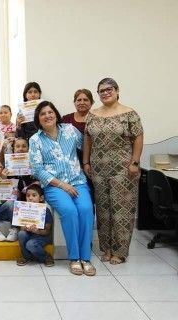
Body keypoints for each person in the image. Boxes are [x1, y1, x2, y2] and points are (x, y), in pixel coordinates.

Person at [29, 101, 95, 276]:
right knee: (70, 211)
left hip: (78, 181)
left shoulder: (70, 130)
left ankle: (85, 258)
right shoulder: (35, 140)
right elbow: (37, 169)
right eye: (43, 113)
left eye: (50, 112)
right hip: (54, 185)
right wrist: (62, 185)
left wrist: (87, 162)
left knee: (87, 210)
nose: (47, 116)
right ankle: (74, 257)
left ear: (56, 114)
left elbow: (86, 144)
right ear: (38, 118)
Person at [83, 78, 143, 265]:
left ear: (117, 91)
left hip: (124, 170)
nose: (105, 93)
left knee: (121, 210)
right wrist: (86, 162)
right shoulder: (93, 115)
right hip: (98, 169)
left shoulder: (129, 113)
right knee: (102, 210)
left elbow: (138, 137)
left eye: (109, 89)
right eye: (101, 90)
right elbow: (87, 139)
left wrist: (135, 162)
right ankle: (106, 248)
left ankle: (120, 251)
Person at [16, 184, 54, 267]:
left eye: (34, 195)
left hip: (42, 236)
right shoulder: (24, 209)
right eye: (28, 195)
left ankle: (46, 257)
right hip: (29, 234)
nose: (30, 198)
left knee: (30, 244)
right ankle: (26, 257)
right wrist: (25, 228)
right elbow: (21, 227)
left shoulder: (45, 211)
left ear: (41, 198)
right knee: (21, 233)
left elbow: (47, 231)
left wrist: (37, 231)